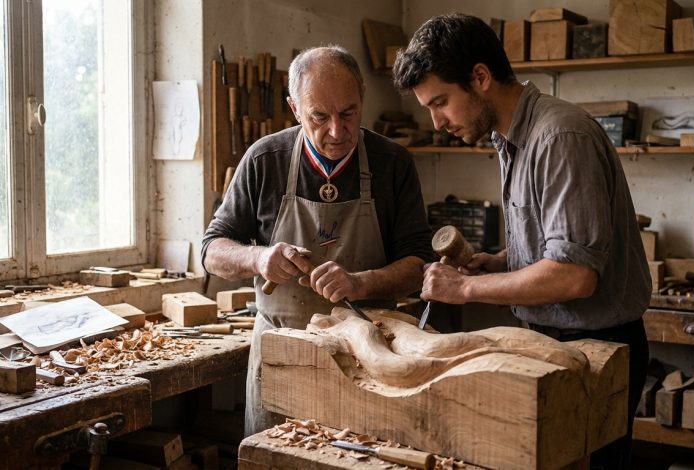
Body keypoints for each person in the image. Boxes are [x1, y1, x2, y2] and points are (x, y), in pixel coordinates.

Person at [393, 13, 650, 470]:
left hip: (596, 349)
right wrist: (503, 262)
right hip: (552, 342)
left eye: (441, 102)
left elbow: (574, 276)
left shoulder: (558, 136)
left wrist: (466, 289)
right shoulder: (512, 139)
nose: (436, 122)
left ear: (480, 77)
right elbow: (559, 243)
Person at [202, 45, 433, 436]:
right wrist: (259, 259)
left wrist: (361, 283)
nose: (337, 132)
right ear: (294, 108)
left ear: (363, 95)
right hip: (282, 351)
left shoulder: (392, 163)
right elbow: (211, 251)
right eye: (319, 117)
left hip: (368, 356)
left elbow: (419, 267)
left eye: (348, 113)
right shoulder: (265, 159)